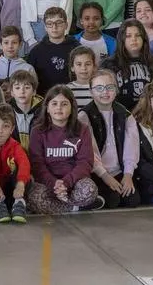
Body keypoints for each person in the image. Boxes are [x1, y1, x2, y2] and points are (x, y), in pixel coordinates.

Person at [27, 86, 103, 214]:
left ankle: (60, 205)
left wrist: (66, 183)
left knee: (90, 190)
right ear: (47, 108)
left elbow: (85, 162)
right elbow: (37, 164)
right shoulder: (37, 131)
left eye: (64, 104)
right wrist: (54, 184)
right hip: (48, 183)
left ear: (72, 108)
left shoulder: (82, 129)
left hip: (74, 181)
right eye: (54, 103)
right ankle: (76, 207)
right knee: (35, 197)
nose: (59, 108)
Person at [78, 70, 141, 209]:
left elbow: (132, 147)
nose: (105, 92)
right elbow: (89, 151)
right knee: (113, 201)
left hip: (119, 171)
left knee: (132, 200)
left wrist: (128, 174)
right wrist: (105, 176)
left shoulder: (125, 114)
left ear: (116, 90)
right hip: (97, 172)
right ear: (91, 91)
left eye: (110, 87)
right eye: (99, 88)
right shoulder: (84, 116)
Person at [103, 20, 153, 112]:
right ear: (122, 39)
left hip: (147, 115)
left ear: (144, 38)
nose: (134, 39)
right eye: (128, 36)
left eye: (137, 35)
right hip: (120, 115)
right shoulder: (109, 64)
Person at [26, 7, 81, 95]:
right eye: (49, 23)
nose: (54, 27)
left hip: (72, 95)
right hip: (44, 98)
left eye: (58, 22)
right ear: (45, 27)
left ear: (66, 25)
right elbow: (30, 80)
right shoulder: (36, 51)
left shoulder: (77, 48)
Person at [9, 70, 42, 149]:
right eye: (17, 88)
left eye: (27, 87)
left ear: (34, 92)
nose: (22, 91)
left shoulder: (43, 112)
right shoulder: (6, 113)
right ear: (12, 92)